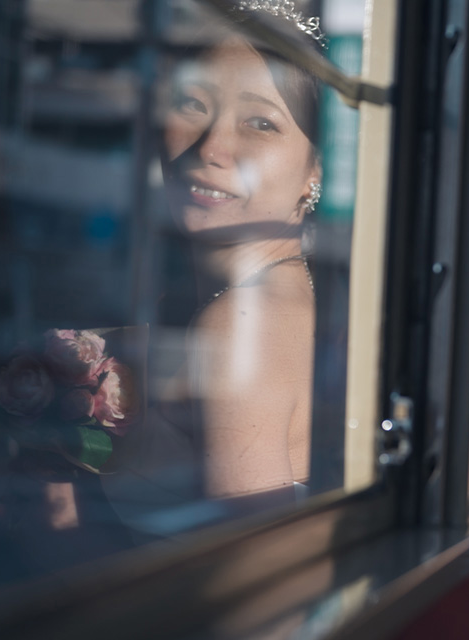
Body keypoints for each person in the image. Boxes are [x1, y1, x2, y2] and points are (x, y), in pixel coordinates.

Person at [105, 2, 324, 521]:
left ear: (314, 171)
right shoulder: (278, 302)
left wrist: (49, 511)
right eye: (193, 104)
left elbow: (249, 579)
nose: (213, 146)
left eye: (259, 123)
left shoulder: (248, 322)